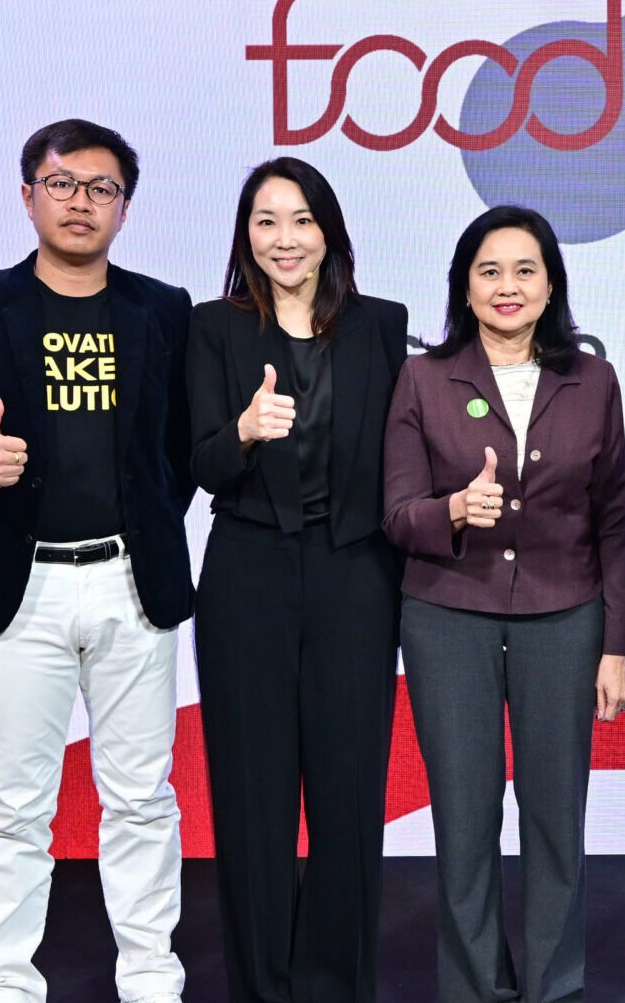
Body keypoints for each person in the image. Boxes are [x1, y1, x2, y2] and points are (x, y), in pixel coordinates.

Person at [0, 118, 194, 1003]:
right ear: (28, 195)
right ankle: (4, 986)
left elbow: (178, 449)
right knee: (15, 804)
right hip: (18, 584)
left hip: (131, 585)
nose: (80, 202)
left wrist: (148, 526)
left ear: (125, 208)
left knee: (141, 797)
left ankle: (151, 979)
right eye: (62, 184)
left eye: (101, 189)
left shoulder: (163, 309)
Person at [382, 205, 625, 1003]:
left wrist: (616, 646)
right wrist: (455, 511)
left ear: (551, 284)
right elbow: (397, 516)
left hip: (566, 617)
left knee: (556, 814)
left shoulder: (593, 379)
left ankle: (554, 987)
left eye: (526, 270)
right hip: (447, 615)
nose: (507, 286)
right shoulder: (422, 377)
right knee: (465, 815)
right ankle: (474, 987)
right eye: (489, 270)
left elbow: (614, 521)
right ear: (464, 285)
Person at [185, 157, 409, 1003]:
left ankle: (336, 984)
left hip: (356, 572)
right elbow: (200, 464)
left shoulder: (382, 324)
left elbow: (404, 452)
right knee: (254, 797)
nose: (285, 239)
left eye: (303, 220)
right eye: (267, 221)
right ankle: (263, 986)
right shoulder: (213, 328)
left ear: (329, 233)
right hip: (248, 573)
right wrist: (244, 430)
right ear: (245, 235)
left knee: (350, 794)